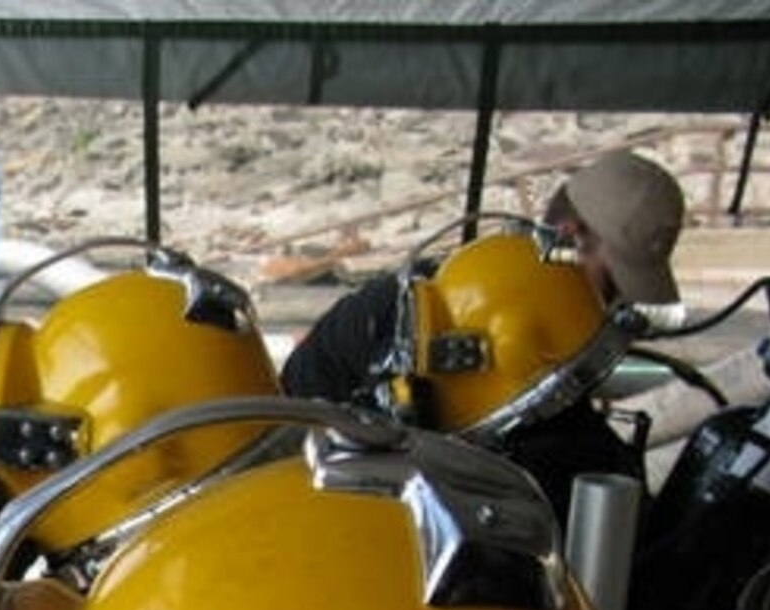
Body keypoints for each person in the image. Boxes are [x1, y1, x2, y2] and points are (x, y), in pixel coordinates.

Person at [279, 147, 685, 521]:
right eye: (612, 285)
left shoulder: (556, 382)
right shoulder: (387, 317)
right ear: (568, 237)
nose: (611, 308)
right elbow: (280, 432)